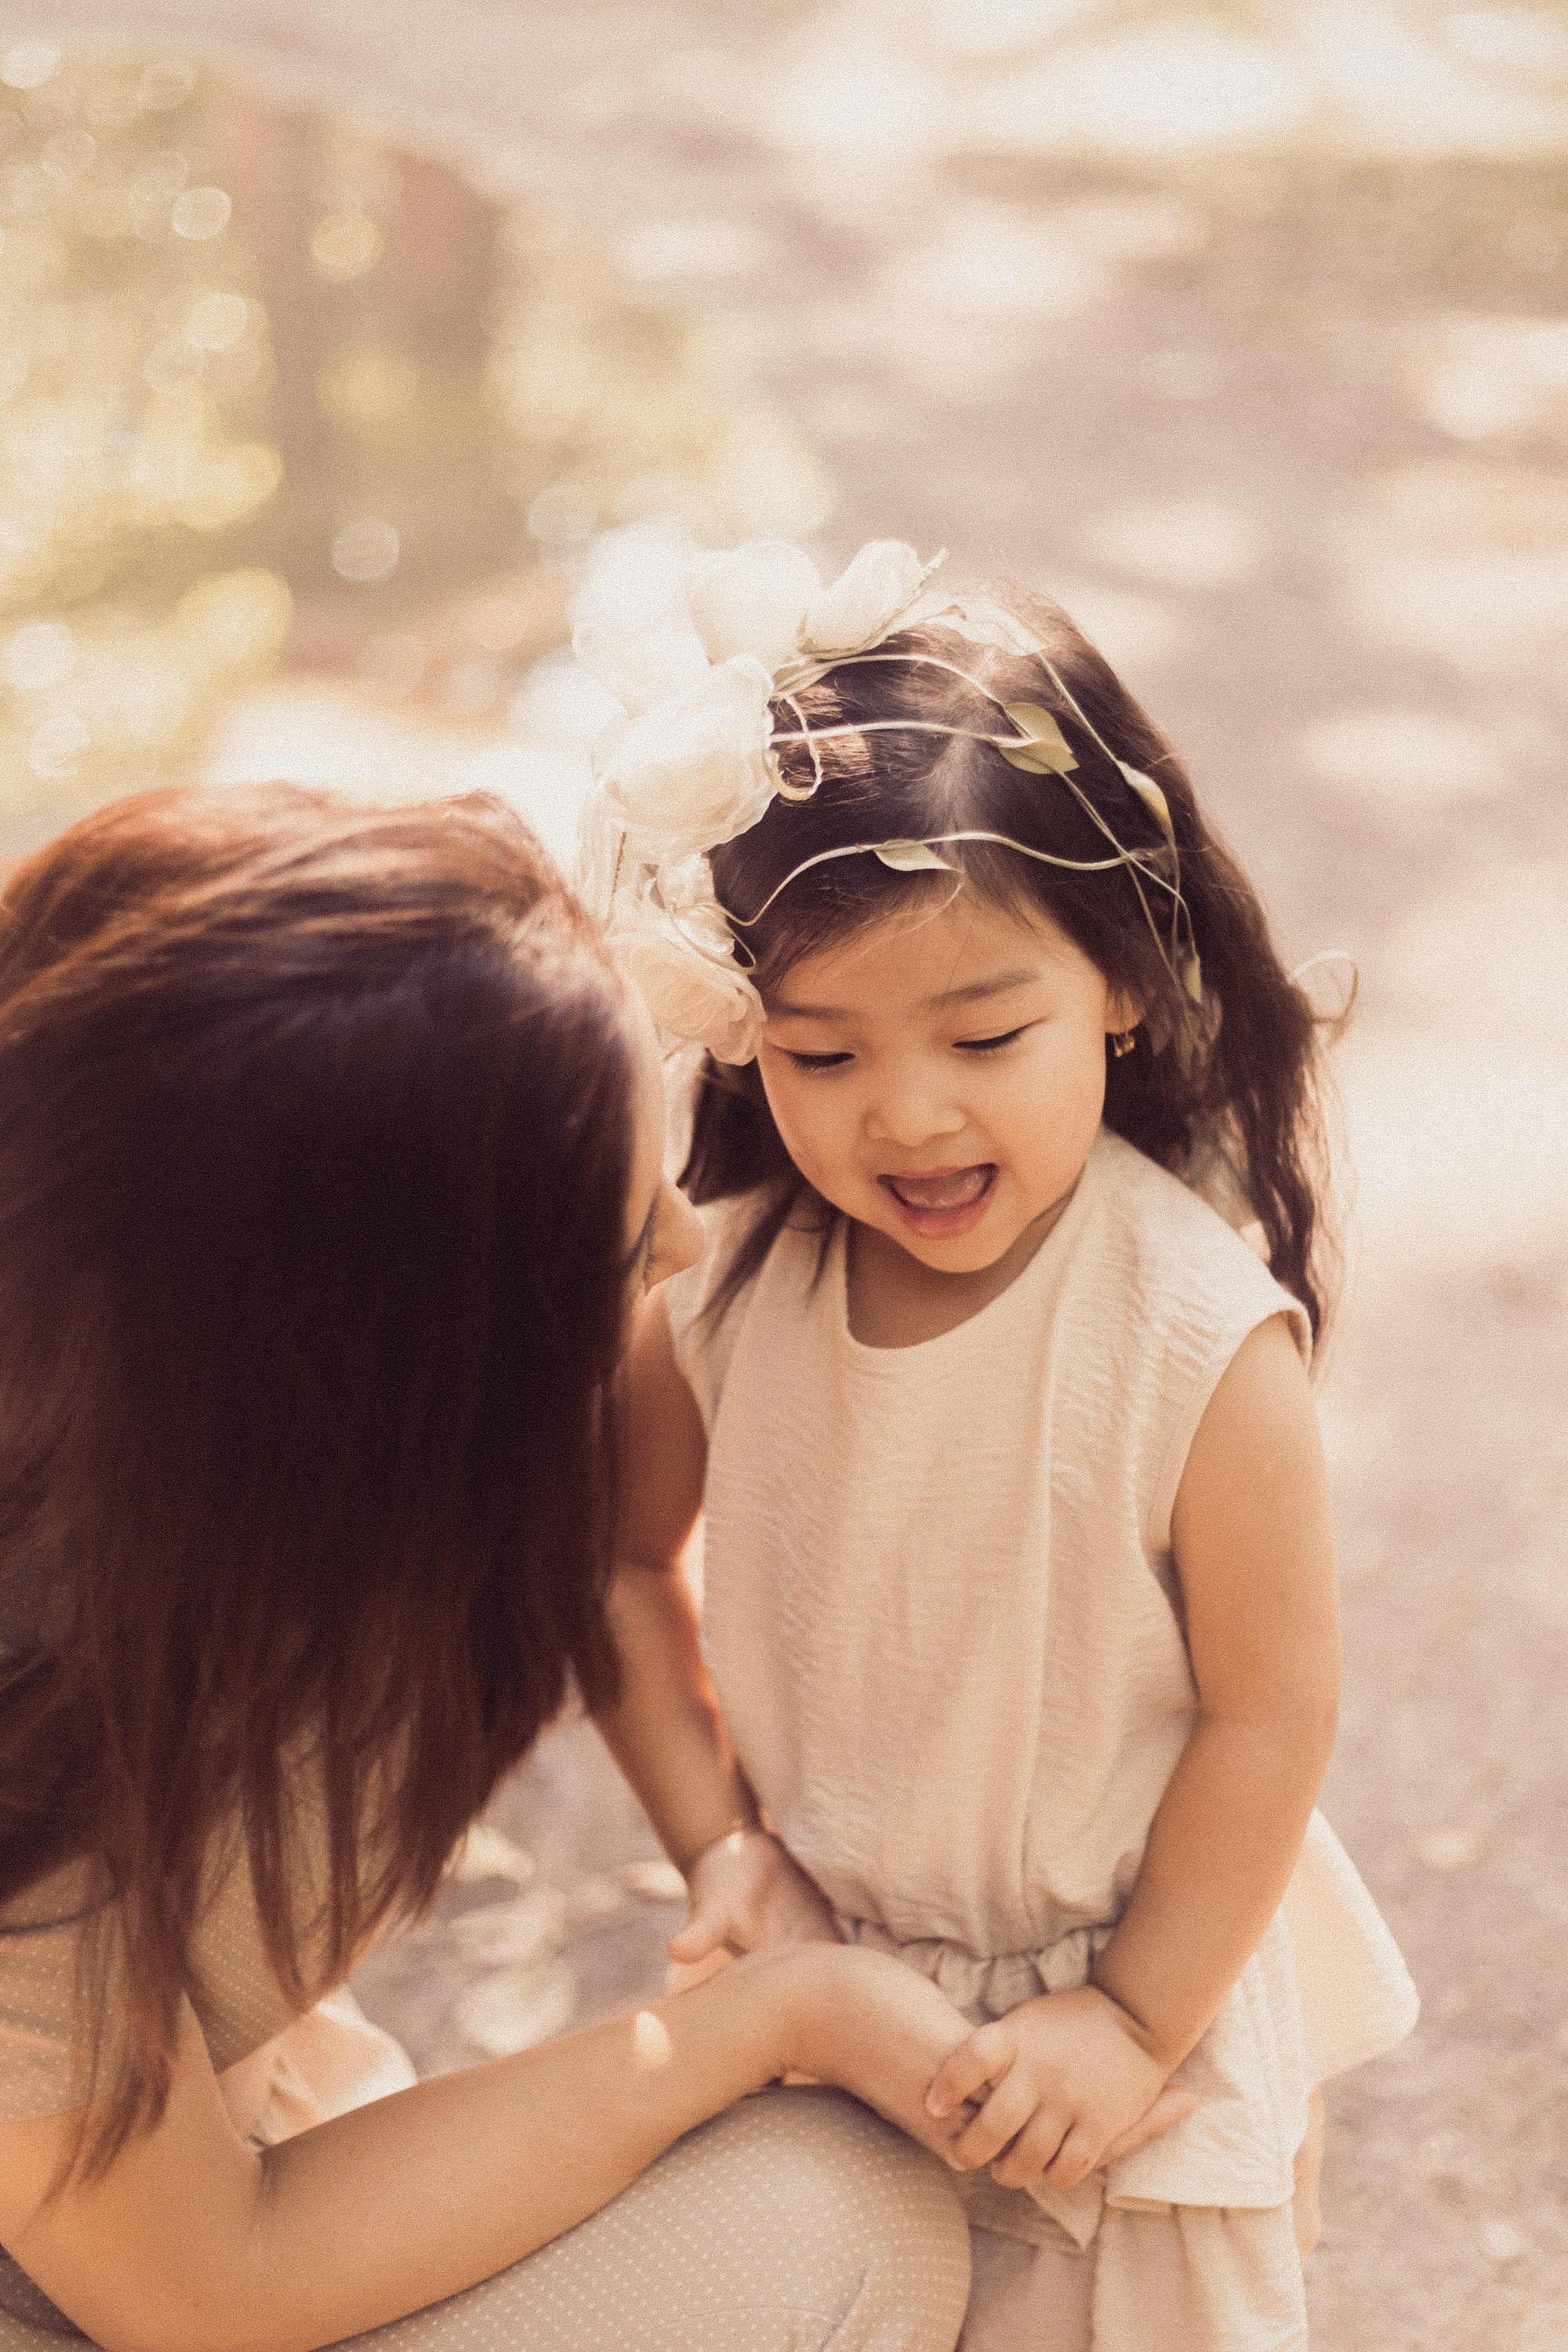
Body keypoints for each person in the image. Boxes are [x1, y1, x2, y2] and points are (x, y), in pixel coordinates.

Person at [0, 779, 1015, 2352]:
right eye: (609, 1234)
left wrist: (727, 1848)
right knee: (842, 2222)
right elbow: (204, 2290)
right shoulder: (33, 1714)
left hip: (176, 2141)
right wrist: (768, 2019)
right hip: (129, 2265)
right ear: (377, 1344)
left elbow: (629, 1555)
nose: (681, 1243)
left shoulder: (252, 1460)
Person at [580, 539, 1421, 2352]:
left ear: (1119, 980)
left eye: (983, 1033)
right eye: (819, 1056)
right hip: (830, 1994)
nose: (906, 1113)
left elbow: (1271, 1710)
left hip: (1124, 2039)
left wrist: (1129, 2019)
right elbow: (620, 1568)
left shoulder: (1193, 1337)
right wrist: (724, 1851)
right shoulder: (730, 1288)